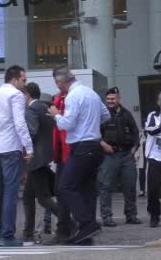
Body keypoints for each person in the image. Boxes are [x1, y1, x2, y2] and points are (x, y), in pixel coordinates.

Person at [48, 65, 110, 245]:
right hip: (94, 146)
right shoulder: (91, 93)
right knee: (86, 188)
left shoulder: (73, 96)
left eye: (57, 84)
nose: (58, 87)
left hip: (81, 147)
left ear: (60, 82)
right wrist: (90, 124)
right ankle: (86, 233)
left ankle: (87, 223)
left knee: (65, 186)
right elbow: (106, 116)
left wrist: (56, 115)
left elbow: (66, 124)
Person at [0, 65, 34, 247]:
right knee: (10, 193)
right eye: (24, 80)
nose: (25, 84)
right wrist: (29, 147)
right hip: (10, 148)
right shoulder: (16, 95)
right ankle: (8, 235)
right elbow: (19, 123)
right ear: (15, 79)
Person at [98, 87, 142, 227]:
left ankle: (131, 215)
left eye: (113, 99)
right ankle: (106, 217)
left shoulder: (126, 114)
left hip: (126, 155)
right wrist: (103, 144)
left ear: (118, 98)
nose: (110, 101)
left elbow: (135, 132)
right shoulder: (102, 114)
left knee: (129, 186)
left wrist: (134, 148)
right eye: (108, 99)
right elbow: (94, 133)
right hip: (109, 155)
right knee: (106, 187)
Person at [22, 83, 59, 245]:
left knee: (43, 198)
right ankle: (28, 233)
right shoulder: (44, 108)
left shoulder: (31, 110)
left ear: (28, 95)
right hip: (45, 158)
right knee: (28, 196)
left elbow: (31, 133)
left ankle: (71, 223)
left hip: (36, 159)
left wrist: (25, 151)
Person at [44, 92, 74, 245]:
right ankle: (66, 229)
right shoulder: (60, 103)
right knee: (61, 192)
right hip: (62, 155)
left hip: (68, 155)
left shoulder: (67, 104)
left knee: (65, 192)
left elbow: (64, 129)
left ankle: (71, 228)